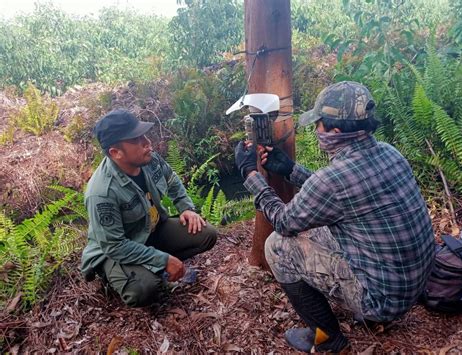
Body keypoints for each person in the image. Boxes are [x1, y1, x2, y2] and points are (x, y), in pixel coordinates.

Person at [235, 82, 435, 353]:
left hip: (382, 300)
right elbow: (340, 195)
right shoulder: (390, 153)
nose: (317, 131)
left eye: (319, 125)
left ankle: (327, 337)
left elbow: (284, 221)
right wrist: (291, 169)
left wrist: (251, 176)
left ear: (335, 132)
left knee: (277, 246)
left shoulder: (333, 180)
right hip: (414, 284)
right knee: (315, 230)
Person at [81, 109, 217, 307]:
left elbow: (171, 179)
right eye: (136, 140)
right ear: (115, 152)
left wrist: (186, 208)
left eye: (144, 135)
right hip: (117, 251)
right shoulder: (102, 192)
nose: (147, 142)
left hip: (151, 230)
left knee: (206, 234)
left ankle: (155, 264)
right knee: (143, 290)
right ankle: (119, 276)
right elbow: (114, 246)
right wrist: (162, 260)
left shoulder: (148, 159)